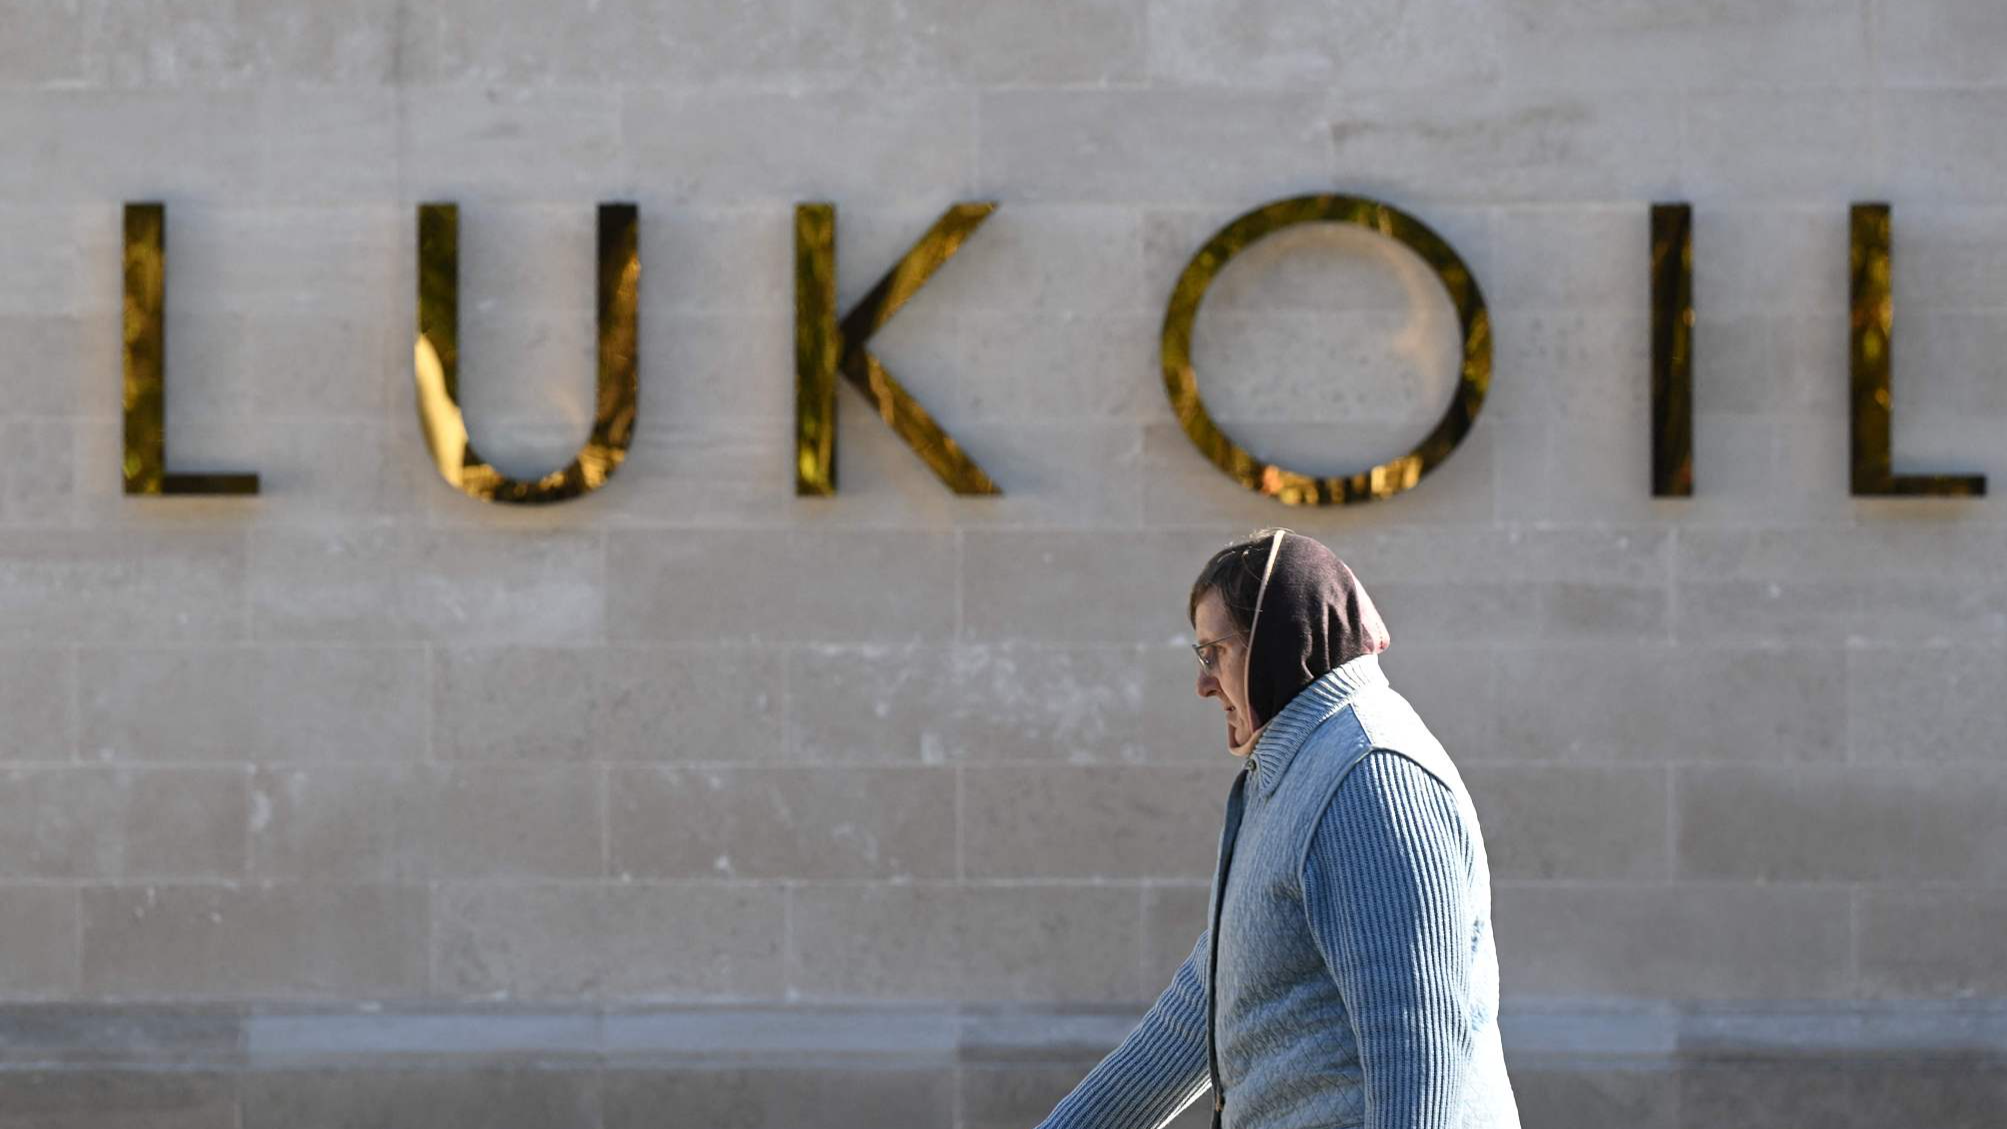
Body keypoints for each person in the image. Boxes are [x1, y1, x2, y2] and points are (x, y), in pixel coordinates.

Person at [1034, 528, 1519, 1129]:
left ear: (1276, 643)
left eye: (1215, 653)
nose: (1203, 684)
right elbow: (1194, 1019)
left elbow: (1416, 1055)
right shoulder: (1299, 768)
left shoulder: (1372, 774)